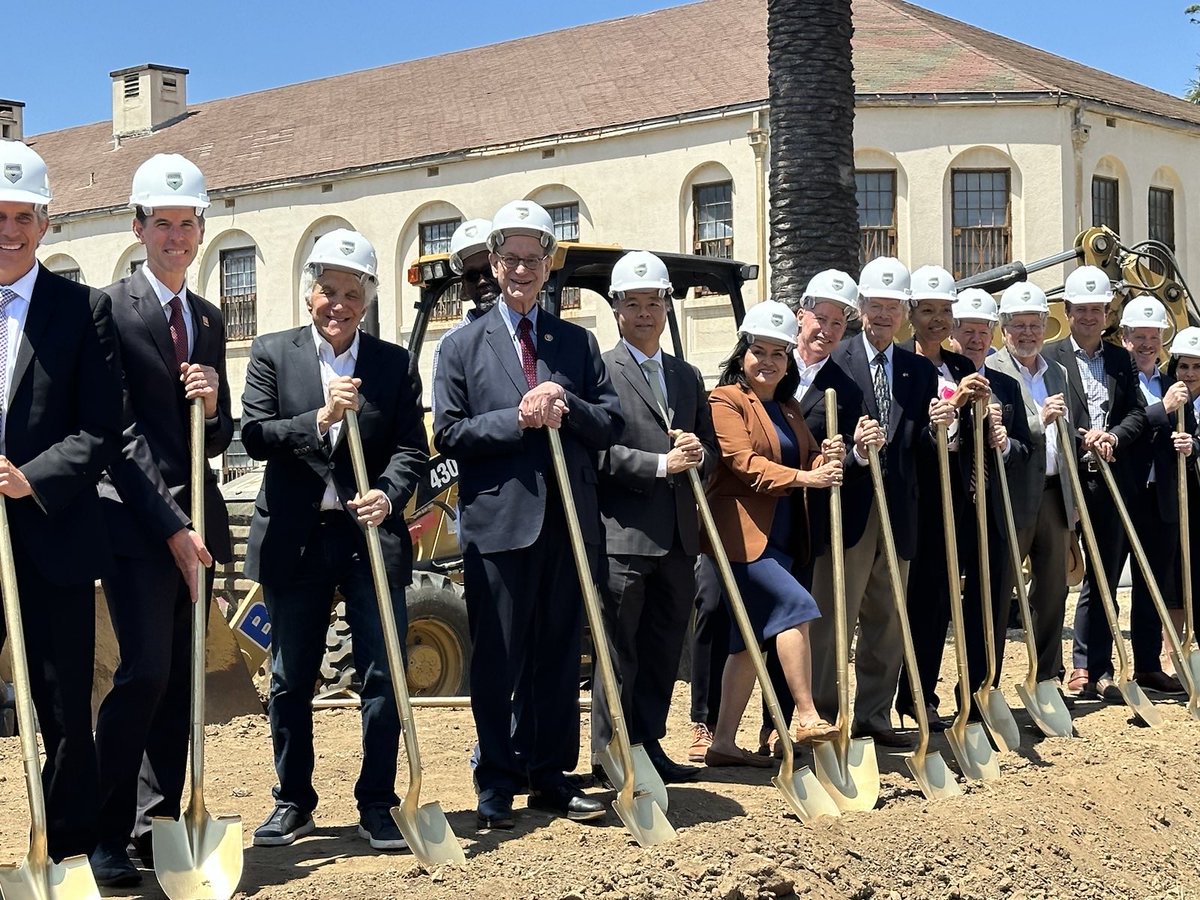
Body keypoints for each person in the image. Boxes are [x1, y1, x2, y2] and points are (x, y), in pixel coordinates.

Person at [433, 200, 622, 829]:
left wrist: (564, 401)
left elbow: (610, 423)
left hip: (567, 524)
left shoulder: (576, 342)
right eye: (509, 259)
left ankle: (548, 775)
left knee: (557, 654)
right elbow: (450, 433)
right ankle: (496, 780)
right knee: (497, 658)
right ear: (493, 264)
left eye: (532, 260)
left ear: (548, 268)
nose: (520, 270)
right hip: (500, 524)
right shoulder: (461, 347)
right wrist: (518, 419)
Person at [242, 229, 429, 851]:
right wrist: (318, 418)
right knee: (292, 678)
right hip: (296, 540)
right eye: (329, 291)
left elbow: (412, 450)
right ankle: (293, 801)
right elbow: (255, 434)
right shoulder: (273, 354)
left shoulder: (393, 364)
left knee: (382, 674)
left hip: (368, 540)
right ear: (309, 294)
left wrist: (388, 493)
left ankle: (377, 802)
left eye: (353, 293)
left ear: (368, 300)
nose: (339, 304)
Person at [90, 154, 233, 886]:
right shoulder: (109, 310)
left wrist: (213, 401)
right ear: (138, 226)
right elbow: (118, 434)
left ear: (200, 230)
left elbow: (224, 432)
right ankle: (106, 829)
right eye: (163, 224)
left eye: (188, 223)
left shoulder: (207, 319)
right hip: (136, 521)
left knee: (182, 680)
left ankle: (157, 823)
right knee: (143, 672)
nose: (176, 236)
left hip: (196, 521)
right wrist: (172, 525)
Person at [0, 139, 123, 862]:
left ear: (47, 222)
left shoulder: (83, 311)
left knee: (64, 707)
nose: (9, 229)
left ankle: (66, 847)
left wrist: (32, 477)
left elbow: (103, 428)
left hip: (54, 535)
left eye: (24, 215)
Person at [810, 257, 950, 749]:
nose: (885, 315)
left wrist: (943, 432)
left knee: (889, 616)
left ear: (904, 312)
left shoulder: (918, 371)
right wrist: (849, 447)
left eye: (894, 307)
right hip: (849, 507)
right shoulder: (836, 360)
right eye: (876, 306)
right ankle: (827, 713)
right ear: (861, 308)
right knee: (834, 615)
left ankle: (874, 713)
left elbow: (920, 448)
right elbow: (813, 424)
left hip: (900, 510)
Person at [592, 250, 715, 784]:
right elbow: (596, 455)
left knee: (663, 650)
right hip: (624, 535)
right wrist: (662, 464)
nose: (645, 313)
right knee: (617, 654)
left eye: (654, 303)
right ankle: (609, 756)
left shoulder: (685, 376)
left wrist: (698, 454)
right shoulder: (600, 371)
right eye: (634, 304)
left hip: (677, 539)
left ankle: (647, 745)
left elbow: (707, 448)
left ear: (667, 307)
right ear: (617, 309)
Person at [702, 300, 843, 767]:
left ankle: (723, 743)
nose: (767, 362)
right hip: (741, 537)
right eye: (758, 351)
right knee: (796, 606)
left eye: (778, 354)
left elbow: (801, 464)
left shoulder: (788, 408)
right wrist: (807, 479)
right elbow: (744, 465)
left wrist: (826, 461)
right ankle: (804, 714)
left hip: (783, 534)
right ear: (742, 354)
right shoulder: (725, 401)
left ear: (788, 361)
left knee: (749, 642)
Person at [753, 269, 864, 757]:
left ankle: (778, 724)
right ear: (801, 314)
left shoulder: (847, 385)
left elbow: (841, 456)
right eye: (820, 317)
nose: (827, 330)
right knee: (727, 622)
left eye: (839, 323)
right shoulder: (760, 365)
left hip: (802, 522)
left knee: (790, 622)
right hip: (750, 514)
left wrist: (852, 452)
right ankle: (706, 723)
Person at [1045, 265, 1147, 701]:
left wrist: (1114, 437)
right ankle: (1049, 668)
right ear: (1067, 310)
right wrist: (1079, 436)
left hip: (1109, 481)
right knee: (1052, 575)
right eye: (1081, 309)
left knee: (1103, 575)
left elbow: (1137, 414)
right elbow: (1042, 411)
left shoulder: (1121, 360)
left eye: (1097, 310)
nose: (1089, 317)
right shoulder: (1049, 356)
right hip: (1063, 481)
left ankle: (1093, 666)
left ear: (1108, 313)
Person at [896, 265, 985, 728]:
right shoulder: (902, 365)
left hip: (955, 490)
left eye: (944, 311)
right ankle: (910, 692)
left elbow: (967, 434)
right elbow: (902, 433)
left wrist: (982, 418)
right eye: (927, 310)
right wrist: (946, 411)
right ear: (911, 313)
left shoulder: (960, 366)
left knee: (945, 596)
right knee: (918, 598)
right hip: (917, 492)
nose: (937, 319)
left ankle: (936, 693)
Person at [986, 281, 1076, 696]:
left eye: (1034, 325)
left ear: (1045, 326)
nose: (1027, 334)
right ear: (1004, 329)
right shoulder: (995, 370)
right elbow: (1017, 431)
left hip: (1056, 494)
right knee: (1001, 591)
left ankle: (1046, 678)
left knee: (1054, 589)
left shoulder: (1056, 369)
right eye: (1018, 326)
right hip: (1013, 493)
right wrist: (1040, 417)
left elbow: (1068, 431)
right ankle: (989, 682)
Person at [948, 288, 1031, 695]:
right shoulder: (944, 378)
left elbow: (1024, 448)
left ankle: (983, 685)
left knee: (993, 600)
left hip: (994, 509)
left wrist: (1004, 442)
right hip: (951, 507)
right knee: (938, 601)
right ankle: (922, 694)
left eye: (984, 331)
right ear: (953, 333)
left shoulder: (1007, 386)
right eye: (968, 330)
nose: (977, 340)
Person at [1112, 297, 1191, 692]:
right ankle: (1089, 669)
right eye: (1138, 336)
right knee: (1104, 582)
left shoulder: (1168, 380)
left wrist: (1187, 442)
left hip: (1159, 496)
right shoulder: (1117, 378)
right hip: (1121, 494)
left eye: (1153, 336)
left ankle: (1146, 665)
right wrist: (1163, 409)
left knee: (1151, 584)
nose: (1146, 343)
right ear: (1124, 337)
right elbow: (1125, 427)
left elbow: (1188, 426)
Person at [430, 218, 500, 415]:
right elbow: (447, 424)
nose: (482, 281)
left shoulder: (530, 330)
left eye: (488, 272)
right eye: (472, 276)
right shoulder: (451, 344)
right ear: (464, 285)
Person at [1169, 327, 1200, 636]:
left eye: (1197, 366)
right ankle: (1173, 648)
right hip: (1179, 501)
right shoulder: (1171, 403)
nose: (1189, 374)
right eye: (1183, 366)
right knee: (1177, 576)